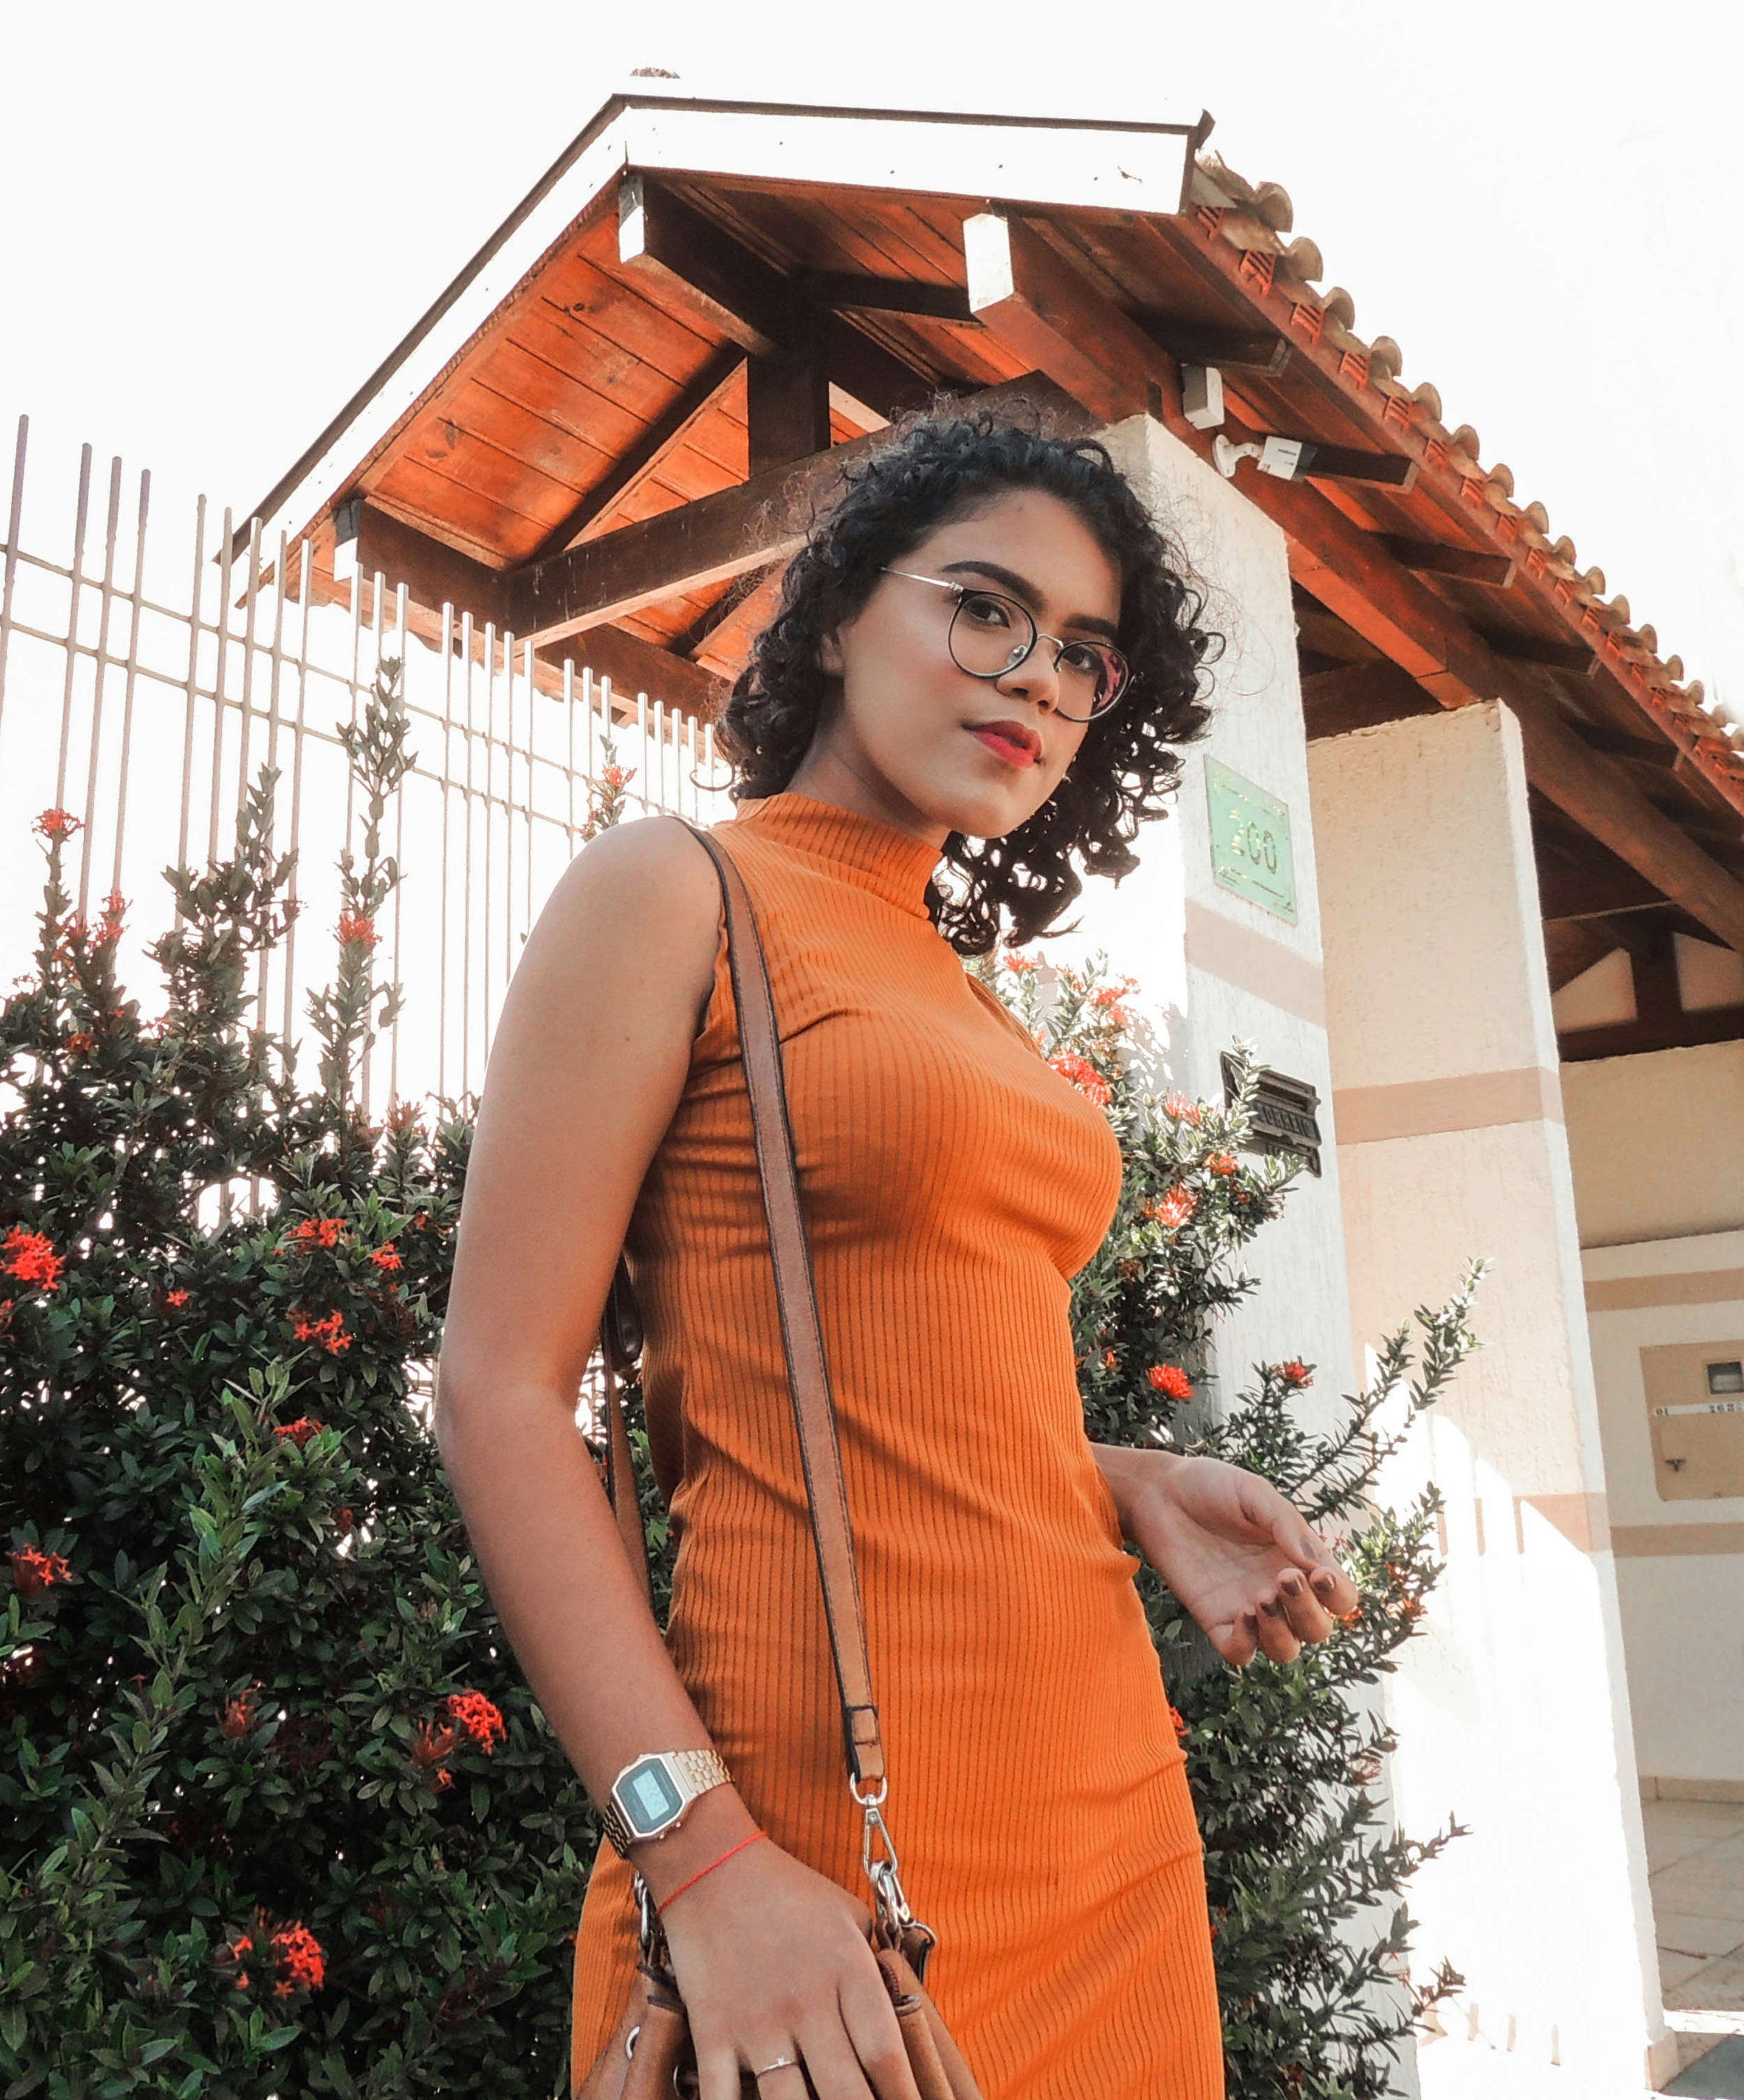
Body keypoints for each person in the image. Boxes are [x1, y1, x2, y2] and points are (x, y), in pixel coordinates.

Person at [433, 412, 1359, 2100]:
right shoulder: (678, 892)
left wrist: (1120, 1474)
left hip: (1108, 1830)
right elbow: (496, 1394)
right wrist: (697, 1859)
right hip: (822, 1874)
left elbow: (891, 1378)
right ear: (844, 606)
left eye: (1084, 658)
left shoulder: (960, 994)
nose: (1034, 681)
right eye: (987, 609)